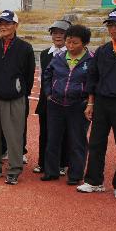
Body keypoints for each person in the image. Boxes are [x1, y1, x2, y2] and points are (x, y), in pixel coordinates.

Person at [78, 8, 116, 201]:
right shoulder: (103, 51)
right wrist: (90, 104)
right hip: (102, 102)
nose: (113, 29)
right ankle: (94, 181)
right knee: (96, 143)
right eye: (110, 25)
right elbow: (92, 78)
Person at [0, 10, 35, 185]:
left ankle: (14, 170)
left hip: (14, 99)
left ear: (16, 26)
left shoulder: (25, 48)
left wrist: (19, 91)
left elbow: (29, 76)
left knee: (14, 136)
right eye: (1, 23)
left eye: (8, 23)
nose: (3, 26)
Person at [42, 24, 92, 184]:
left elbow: (94, 82)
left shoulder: (91, 60)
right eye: (68, 42)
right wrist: (49, 93)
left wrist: (88, 101)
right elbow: (47, 75)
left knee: (77, 141)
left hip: (78, 106)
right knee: (53, 139)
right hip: (55, 104)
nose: (70, 46)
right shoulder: (59, 58)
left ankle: (76, 174)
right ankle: (51, 171)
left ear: (84, 43)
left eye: (75, 43)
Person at [34, 20, 70, 174]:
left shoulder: (73, 53)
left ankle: (62, 163)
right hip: (47, 98)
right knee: (45, 132)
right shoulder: (45, 54)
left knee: (64, 132)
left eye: (61, 33)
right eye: (55, 33)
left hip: (65, 99)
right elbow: (42, 77)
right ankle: (42, 162)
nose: (57, 36)